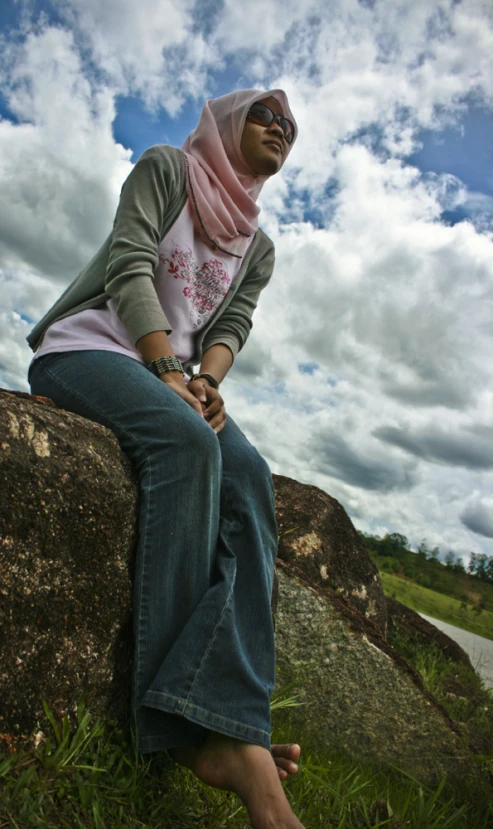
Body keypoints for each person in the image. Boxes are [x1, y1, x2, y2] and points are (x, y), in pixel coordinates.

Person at [28, 89, 305, 829]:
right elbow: (128, 264)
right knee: (185, 444)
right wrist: (167, 374)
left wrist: (206, 380)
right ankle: (179, 728)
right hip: (92, 350)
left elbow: (232, 325)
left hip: (180, 378)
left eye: (290, 126)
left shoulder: (260, 246)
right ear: (225, 121)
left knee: (246, 474)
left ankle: (226, 713)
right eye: (265, 114)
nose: (279, 127)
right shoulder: (166, 169)